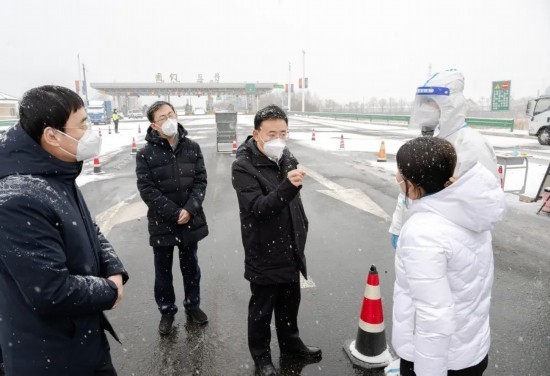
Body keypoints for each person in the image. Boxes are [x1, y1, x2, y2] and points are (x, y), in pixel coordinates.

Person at [0, 85, 129, 375]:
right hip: (52, 357)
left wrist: (113, 267)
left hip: (82, 340)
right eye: (83, 124)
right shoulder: (18, 198)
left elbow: (88, 227)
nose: (90, 130)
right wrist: (109, 290)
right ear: (52, 135)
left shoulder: (57, 171)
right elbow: (49, 290)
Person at [391, 137, 507, 376]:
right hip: (471, 350)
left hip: (436, 362)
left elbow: (433, 317)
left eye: (399, 174)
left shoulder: (423, 233)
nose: (396, 177)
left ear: (411, 185)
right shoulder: (468, 212)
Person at [231, 105, 321, 376]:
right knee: (262, 309)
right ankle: (261, 358)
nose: (278, 140)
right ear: (256, 134)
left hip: (290, 245)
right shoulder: (243, 166)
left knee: (290, 302)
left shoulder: (286, 156)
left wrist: (301, 227)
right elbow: (258, 207)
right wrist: (287, 187)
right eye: (271, 134)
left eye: (283, 133)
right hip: (263, 249)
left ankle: (291, 344)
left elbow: (292, 202)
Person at [389, 69, 499, 248]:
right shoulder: (426, 141)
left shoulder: (471, 144)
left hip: (447, 243)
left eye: (431, 102)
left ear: (449, 105)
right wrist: (399, 227)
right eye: (423, 102)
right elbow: (409, 193)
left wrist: (440, 241)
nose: (425, 107)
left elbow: (485, 204)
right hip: (417, 235)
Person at [135, 101, 209, 335]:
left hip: (190, 220)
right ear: (153, 125)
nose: (169, 120)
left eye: (171, 114)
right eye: (162, 117)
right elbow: (147, 190)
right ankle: (167, 311)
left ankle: (193, 305)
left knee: (191, 268)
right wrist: (174, 213)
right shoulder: (145, 154)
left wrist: (190, 209)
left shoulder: (192, 147)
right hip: (162, 223)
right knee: (163, 271)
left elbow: (200, 181)